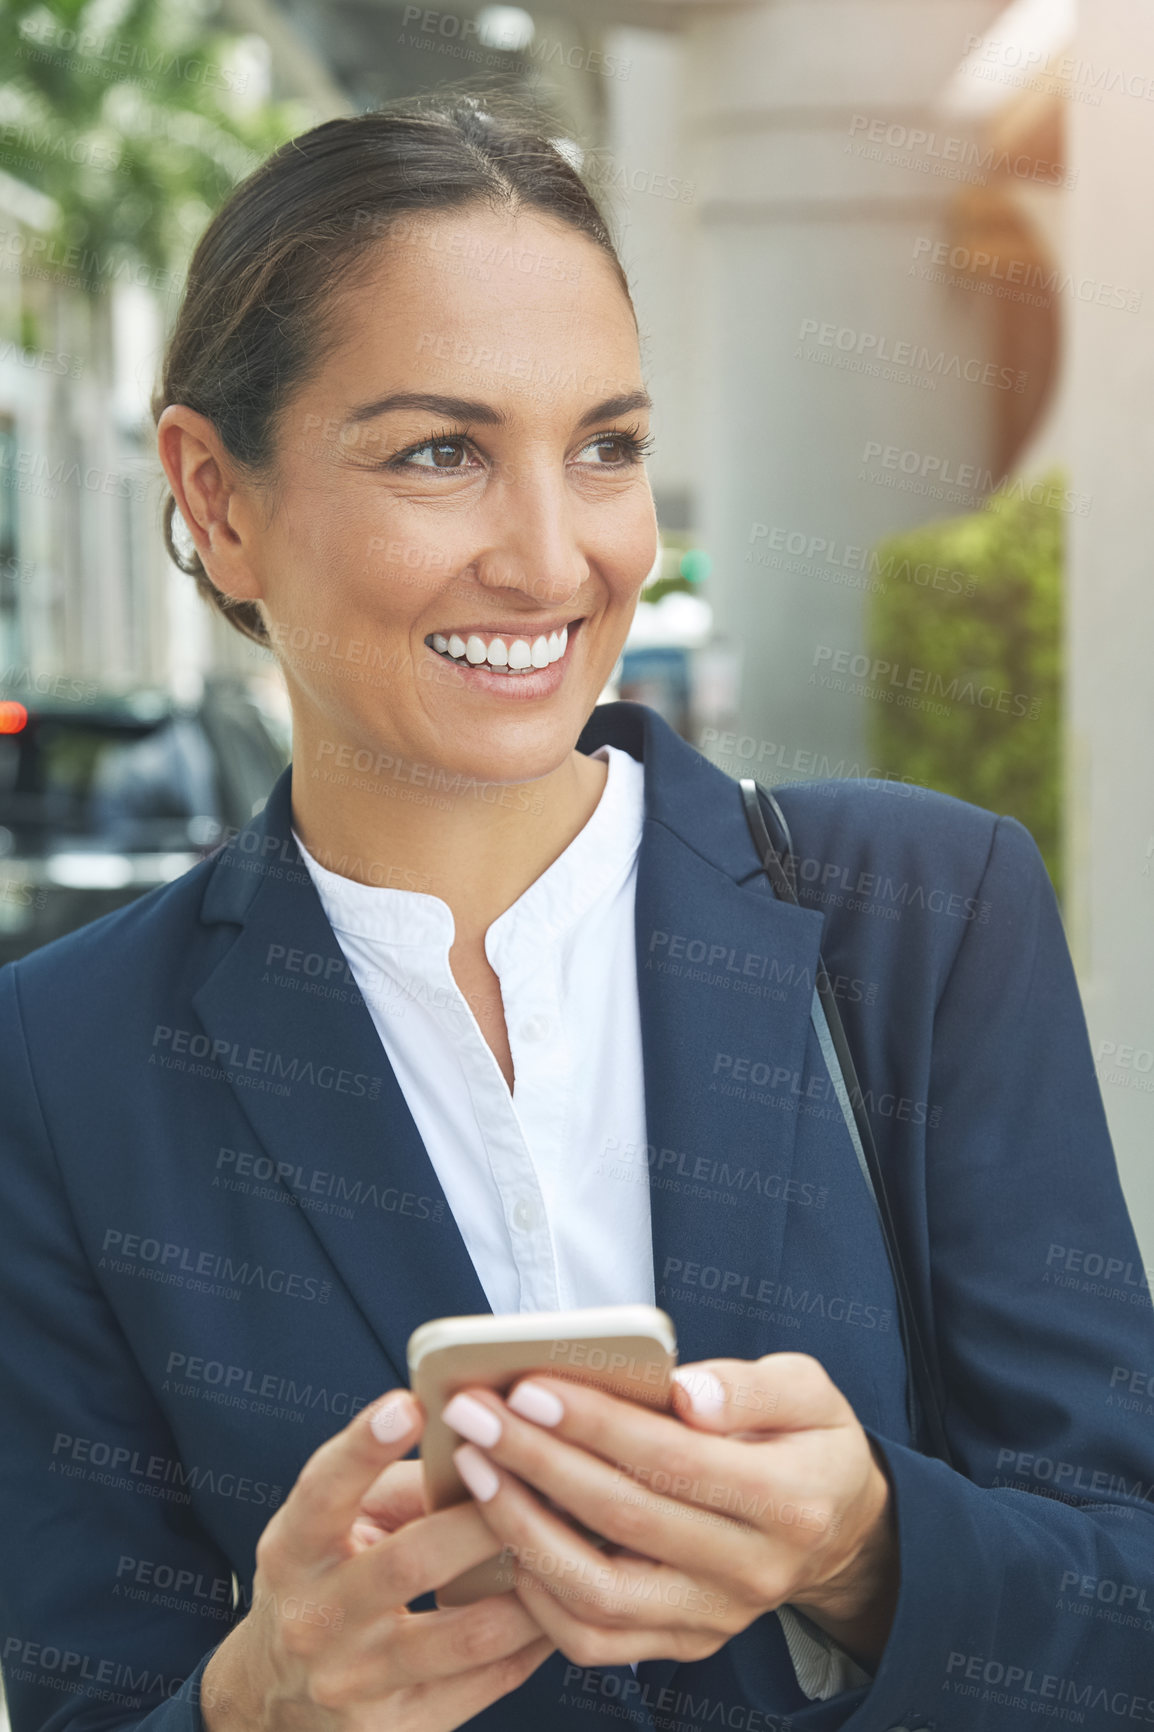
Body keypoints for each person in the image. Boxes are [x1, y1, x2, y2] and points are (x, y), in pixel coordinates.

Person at [1, 92, 1153, 1732]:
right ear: (216, 495)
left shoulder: (920, 916)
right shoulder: (61, 1064)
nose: (554, 558)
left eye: (604, 446)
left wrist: (871, 1549)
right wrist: (257, 1702)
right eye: (440, 453)